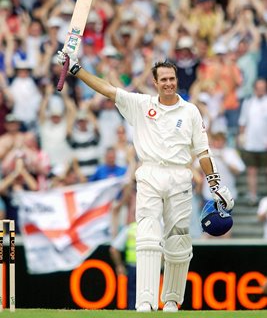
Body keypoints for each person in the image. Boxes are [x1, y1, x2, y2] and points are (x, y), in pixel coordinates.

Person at [57, 50, 234, 312]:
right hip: (150, 173)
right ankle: (145, 302)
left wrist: (215, 184)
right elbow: (108, 90)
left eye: (172, 78)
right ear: (155, 82)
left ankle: (172, 301)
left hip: (180, 176)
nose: (169, 83)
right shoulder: (142, 105)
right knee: (148, 237)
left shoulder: (190, 111)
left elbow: (202, 152)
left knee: (178, 240)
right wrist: (76, 70)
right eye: (163, 79)